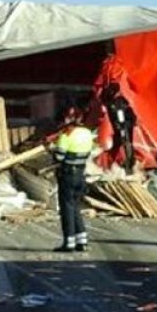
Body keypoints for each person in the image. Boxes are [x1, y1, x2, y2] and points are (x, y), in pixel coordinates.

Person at [49, 105, 96, 252]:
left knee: (67, 209)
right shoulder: (87, 133)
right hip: (81, 174)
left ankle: (68, 242)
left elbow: (59, 157)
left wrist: (52, 149)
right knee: (75, 206)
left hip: (68, 175)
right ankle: (82, 240)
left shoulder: (66, 135)